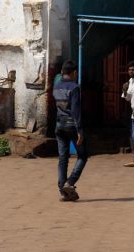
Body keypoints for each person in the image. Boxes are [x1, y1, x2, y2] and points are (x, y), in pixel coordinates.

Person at [53, 61, 86, 201]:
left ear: (62, 72)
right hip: (71, 125)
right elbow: (76, 110)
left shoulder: (56, 87)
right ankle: (70, 182)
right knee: (83, 155)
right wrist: (80, 130)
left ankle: (62, 189)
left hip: (59, 125)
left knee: (63, 158)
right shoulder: (75, 87)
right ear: (74, 73)